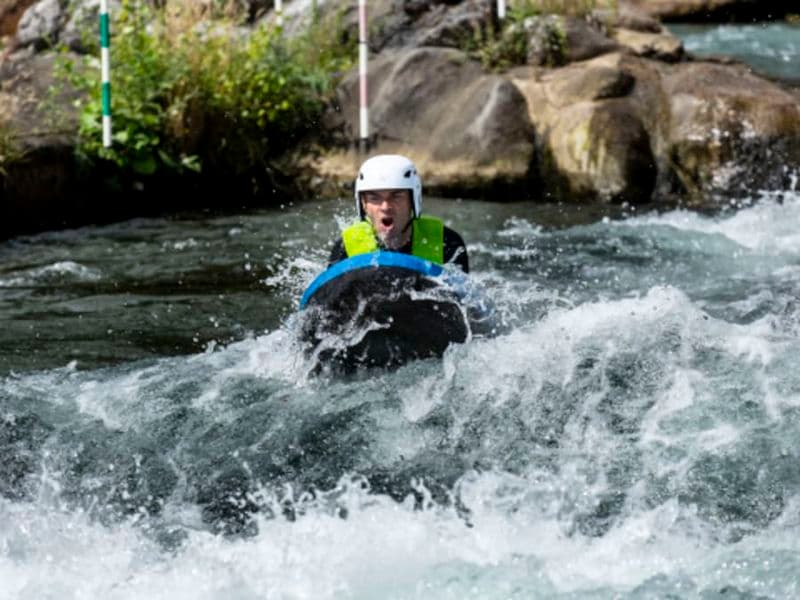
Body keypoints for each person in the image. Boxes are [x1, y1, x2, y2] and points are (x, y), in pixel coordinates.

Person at [328, 154, 469, 273]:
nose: (385, 206)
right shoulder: (345, 249)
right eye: (374, 198)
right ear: (364, 204)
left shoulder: (447, 243)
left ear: (412, 201)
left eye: (396, 196)